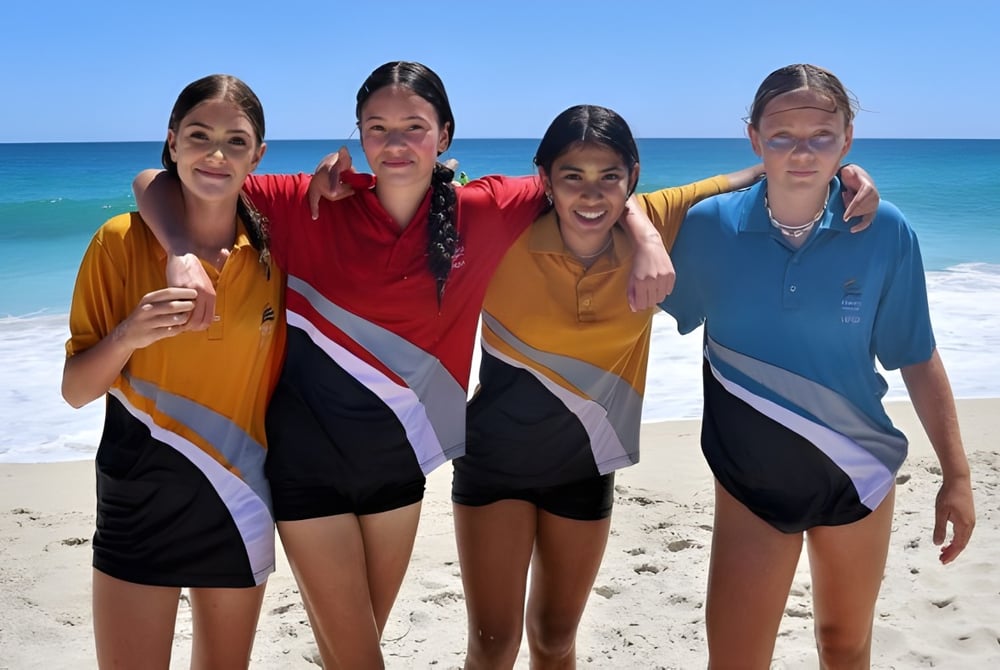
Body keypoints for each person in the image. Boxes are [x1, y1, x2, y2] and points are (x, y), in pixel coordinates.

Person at [132, 62, 674, 670]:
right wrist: (180, 253)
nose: (395, 144)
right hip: (305, 464)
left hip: (400, 470)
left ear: (443, 135)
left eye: (413, 127)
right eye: (377, 127)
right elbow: (160, 177)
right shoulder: (306, 204)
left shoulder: (484, 210)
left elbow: (591, 188)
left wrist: (646, 236)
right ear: (358, 135)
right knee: (362, 659)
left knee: (355, 652)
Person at [451, 105, 880, 669]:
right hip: (493, 463)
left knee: (555, 639)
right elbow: (418, 202)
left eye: (610, 176)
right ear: (545, 179)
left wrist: (849, 174)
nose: (590, 194)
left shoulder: (663, 215)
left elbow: (762, 177)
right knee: (492, 645)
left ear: (633, 176)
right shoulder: (505, 236)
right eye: (571, 176)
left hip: (586, 465)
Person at [659, 64, 976, 669]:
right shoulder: (709, 227)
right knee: (734, 658)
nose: (801, 152)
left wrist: (957, 476)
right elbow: (613, 237)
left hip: (860, 473)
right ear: (753, 138)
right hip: (750, 482)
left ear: (848, 139)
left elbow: (916, 354)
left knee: (845, 646)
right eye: (781, 135)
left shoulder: (884, 230)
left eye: (822, 137)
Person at [62, 74, 283, 669]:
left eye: (236, 141)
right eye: (199, 136)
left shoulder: (273, 252)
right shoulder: (118, 243)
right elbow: (76, 390)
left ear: (258, 156)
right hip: (137, 497)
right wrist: (129, 335)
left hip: (239, 499)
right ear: (172, 142)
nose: (216, 155)